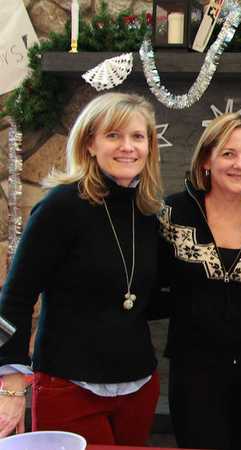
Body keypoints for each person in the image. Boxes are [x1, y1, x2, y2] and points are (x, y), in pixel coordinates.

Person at [0, 92, 163, 444]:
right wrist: (11, 384)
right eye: (113, 135)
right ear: (90, 143)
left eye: (137, 137)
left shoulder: (149, 212)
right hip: (69, 386)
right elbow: (15, 295)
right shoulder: (60, 207)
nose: (127, 147)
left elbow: (146, 296)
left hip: (138, 386)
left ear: (150, 146)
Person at [158, 112, 241, 450]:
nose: (239, 164)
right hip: (194, 370)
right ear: (206, 160)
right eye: (228, 153)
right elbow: (147, 284)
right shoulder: (171, 213)